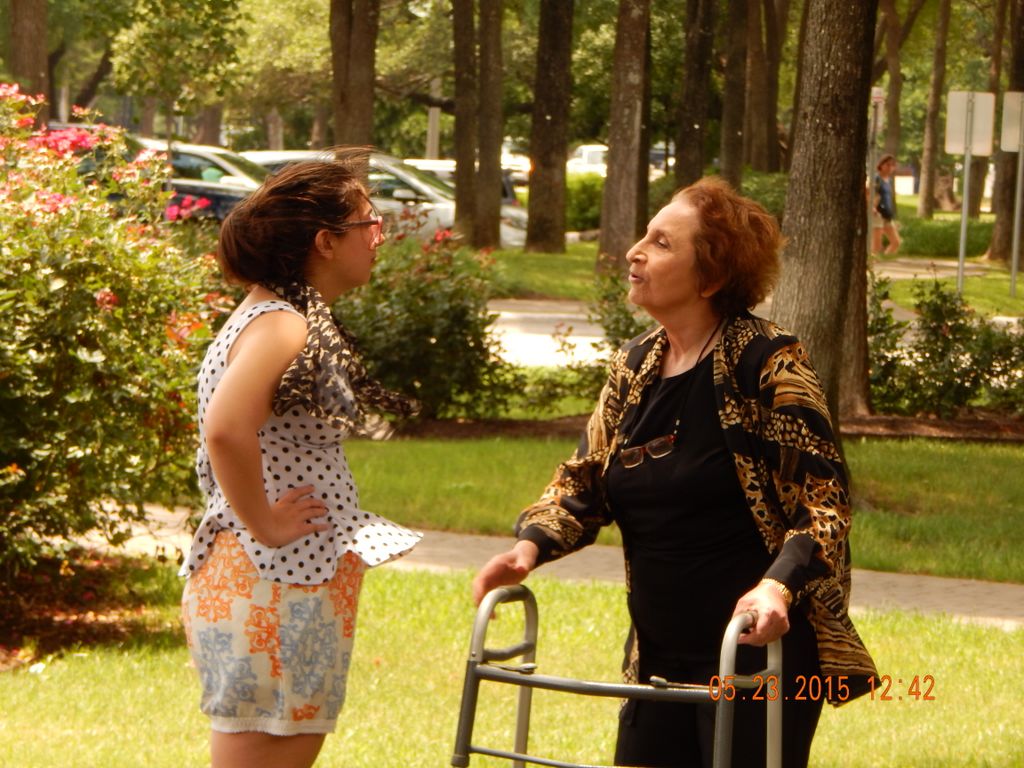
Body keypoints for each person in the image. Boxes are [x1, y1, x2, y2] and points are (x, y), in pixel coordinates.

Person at [473, 177, 878, 768]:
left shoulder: (768, 361)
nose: (635, 251)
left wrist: (777, 586)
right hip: (658, 658)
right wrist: (528, 547)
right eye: (645, 236)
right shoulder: (635, 364)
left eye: (661, 243)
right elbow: (583, 482)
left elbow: (825, 502)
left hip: (758, 653)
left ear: (710, 276)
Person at [180, 151, 421, 768]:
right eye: (369, 222)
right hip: (274, 582)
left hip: (284, 581)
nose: (380, 235)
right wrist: (264, 522)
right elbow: (226, 430)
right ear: (325, 241)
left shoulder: (280, 315)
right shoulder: (283, 324)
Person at [872, 153, 901, 254]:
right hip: (877, 214)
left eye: (892, 165)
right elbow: (869, 194)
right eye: (887, 165)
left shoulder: (888, 181)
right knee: (876, 245)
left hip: (887, 215)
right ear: (881, 165)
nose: (890, 167)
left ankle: (883, 260)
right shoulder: (876, 179)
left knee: (896, 242)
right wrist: (872, 208)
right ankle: (873, 262)